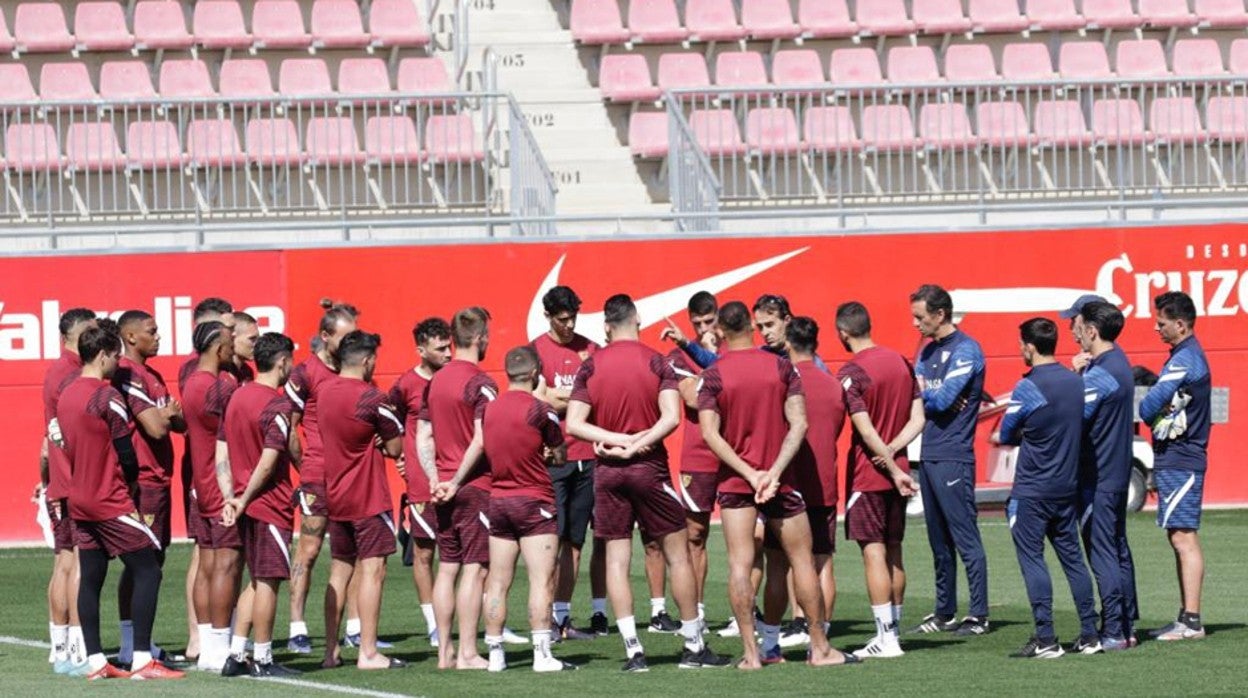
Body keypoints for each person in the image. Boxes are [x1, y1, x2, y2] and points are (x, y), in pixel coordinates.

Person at [565, 294, 728, 672]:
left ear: (606, 325)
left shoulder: (592, 366)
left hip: (608, 470)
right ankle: (692, 646)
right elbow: (671, 417)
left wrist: (617, 442)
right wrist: (636, 442)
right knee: (678, 555)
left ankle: (634, 652)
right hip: (648, 467)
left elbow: (574, 423)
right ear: (636, 321)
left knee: (618, 562)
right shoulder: (657, 359)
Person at [697, 303, 855, 670]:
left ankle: (753, 655)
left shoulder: (714, 373)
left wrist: (751, 475)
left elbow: (710, 433)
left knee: (740, 564)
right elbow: (799, 424)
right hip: (781, 481)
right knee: (803, 561)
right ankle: (820, 649)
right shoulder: (782, 365)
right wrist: (773, 471)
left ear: (720, 329)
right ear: (752, 327)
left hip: (738, 483)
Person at [58, 326, 183, 681]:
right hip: (109, 498)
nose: (118, 363)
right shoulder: (106, 396)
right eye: (115, 357)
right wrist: (128, 485)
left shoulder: (68, 394)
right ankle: (143, 659)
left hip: (79, 498)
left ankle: (97, 662)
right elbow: (127, 454)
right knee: (148, 569)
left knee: (92, 579)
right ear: (103, 356)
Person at [995, 318, 1099, 659]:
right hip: (1065, 488)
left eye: (1020, 344)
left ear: (1029, 346)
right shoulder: (1075, 382)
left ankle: (1046, 638)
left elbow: (1007, 433)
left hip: (1032, 490)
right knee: (1074, 561)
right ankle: (1089, 634)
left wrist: (1030, 433)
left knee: (1032, 561)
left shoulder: (1027, 387)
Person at [834, 302, 923, 660]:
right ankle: (893, 634)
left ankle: (886, 639)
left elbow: (864, 428)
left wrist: (887, 461)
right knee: (894, 551)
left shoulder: (853, 371)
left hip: (870, 474)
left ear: (843, 333)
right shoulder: (902, 362)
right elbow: (919, 417)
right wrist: (897, 453)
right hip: (896, 469)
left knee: (874, 552)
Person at [482, 346, 579, 672]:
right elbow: (559, 451)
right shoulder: (541, 410)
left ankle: (495, 654)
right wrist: (549, 455)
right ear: (536, 373)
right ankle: (542, 654)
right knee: (541, 580)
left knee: (497, 580)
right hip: (534, 501)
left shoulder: (489, 409)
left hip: (499, 500)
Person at [318, 331, 405, 670]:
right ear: (367, 361)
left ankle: (330, 651)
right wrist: (379, 444)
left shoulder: (324, 393)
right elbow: (395, 447)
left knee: (339, 571)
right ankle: (368, 651)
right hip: (368, 496)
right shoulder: (371, 398)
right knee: (373, 571)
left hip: (336, 494)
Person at [908, 284, 990, 636]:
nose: (915, 324)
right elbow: (917, 396)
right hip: (929, 454)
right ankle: (944, 612)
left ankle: (979, 614)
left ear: (940, 314)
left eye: (919, 317)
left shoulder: (968, 350)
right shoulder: (927, 352)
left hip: (954, 455)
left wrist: (931, 397)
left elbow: (939, 402)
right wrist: (932, 396)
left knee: (965, 537)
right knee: (938, 540)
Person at [420, 307, 498, 670]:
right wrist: (455, 480)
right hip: (473, 486)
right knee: (474, 568)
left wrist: (434, 479)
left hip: (443, 488)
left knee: (448, 566)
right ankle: (467, 652)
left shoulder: (435, 380)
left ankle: (444, 652)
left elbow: (423, 435)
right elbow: (482, 440)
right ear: (480, 337)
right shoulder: (481, 382)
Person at [285, 301, 364, 653]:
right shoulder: (305, 373)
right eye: (345, 337)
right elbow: (288, 426)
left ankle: (355, 626)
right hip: (318, 474)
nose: (351, 344)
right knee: (310, 548)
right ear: (325, 336)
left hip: (352, 476)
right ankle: (297, 625)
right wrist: (306, 465)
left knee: (359, 552)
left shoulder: (357, 370)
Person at [220, 332, 300, 677]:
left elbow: (220, 450)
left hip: (244, 502)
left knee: (255, 580)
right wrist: (245, 497)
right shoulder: (277, 404)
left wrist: (231, 497)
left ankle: (237, 654)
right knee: (268, 581)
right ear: (282, 362)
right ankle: (264, 658)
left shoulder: (238, 396)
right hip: (269, 504)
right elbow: (268, 462)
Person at [530, 286, 606, 640]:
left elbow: (601, 393)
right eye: (562, 319)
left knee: (575, 542)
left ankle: (562, 618)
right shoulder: (535, 352)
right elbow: (536, 400)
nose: (569, 324)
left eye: (573, 317)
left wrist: (559, 397)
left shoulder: (590, 349)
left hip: (588, 458)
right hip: (552, 459)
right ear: (548, 316)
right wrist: (577, 396)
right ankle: (542, 618)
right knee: (549, 542)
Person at [1139, 291, 1212, 642]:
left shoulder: (1187, 358)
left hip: (1183, 458)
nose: (1157, 328)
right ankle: (1185, 617)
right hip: (1176, 457)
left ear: (1180, 324)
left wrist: (1156, 405)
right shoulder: (1182, 356)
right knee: (1177, 535)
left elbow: (1149, 404)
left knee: (1184, 536)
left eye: (1162, 323)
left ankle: (1193, 621)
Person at [114, 310, 186, 665]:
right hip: (142, 480)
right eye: (151, 331)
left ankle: (139, 643)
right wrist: (168, 416)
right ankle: (133, 646)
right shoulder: (128, 374)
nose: (159, 337)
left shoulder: (153, 374)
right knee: (143, 565)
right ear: (129, 337)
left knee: (153, 559)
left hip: (160, 478)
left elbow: (180, 421)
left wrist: (170, 416)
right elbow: (157, 428)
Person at [771, 317, 846, 648]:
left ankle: (801, 623)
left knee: (792, 558)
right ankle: (822, 628)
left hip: (793, 482)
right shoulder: (833, 383)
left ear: (788, 343)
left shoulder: (785, 380)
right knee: (823, 559)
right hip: (825, 482)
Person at [1074, 301, 1139, 651]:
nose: (1072, 330)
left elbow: (1073, 417)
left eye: (1077, 324)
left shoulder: (1100, 373)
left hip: (1098, 476)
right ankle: (1126, 625)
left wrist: (1074, 377)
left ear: (1092, 331)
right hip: (1113, 472)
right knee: (1116, 550)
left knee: (1102, 553)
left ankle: (1113, 629)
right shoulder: (1117, 362)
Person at [180, 322, 242, 673]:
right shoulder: (218, 388)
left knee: (207, 566)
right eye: (230, 342)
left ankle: (207, 644)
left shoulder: (192, 383)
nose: (233, 348)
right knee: (226, 565)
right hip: (221, 486)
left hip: (201, 486)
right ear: (218, 348)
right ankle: (219, 647)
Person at [388, 317, 453, 647]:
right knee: (425, 554)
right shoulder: (404, 385)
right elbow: (389, 424)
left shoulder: (456, 380)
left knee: (472, 553)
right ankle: (433, 624)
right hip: (422, 483)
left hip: (459, 476)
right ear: (421, 350)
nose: (448, 353)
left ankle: (487, 620)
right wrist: (400, 456)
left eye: (449, 345)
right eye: (440, 348)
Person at [41, 307, 97, 675]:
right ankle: (76, 648)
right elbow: (65, 435)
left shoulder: (58, 372)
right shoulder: (71, 375)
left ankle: (60, 646)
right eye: (87, 335)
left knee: (65, 562)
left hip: (61, 480)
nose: (94, 341)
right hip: (73, 480)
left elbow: (49, 439)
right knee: (77, 563)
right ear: (69, 338)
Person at [661, 290, 721, 368]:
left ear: (718, 316)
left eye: (708, 321)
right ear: (690, 319)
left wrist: (710, 355)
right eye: (697, 323)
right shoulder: (681, 355)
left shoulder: (736, 347)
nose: (703, 329)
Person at [228, 311, 259, 384]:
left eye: (258, 339)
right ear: (232, 338)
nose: (257, 344)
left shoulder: (247, 372)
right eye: (252, 339)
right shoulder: (220, 374)